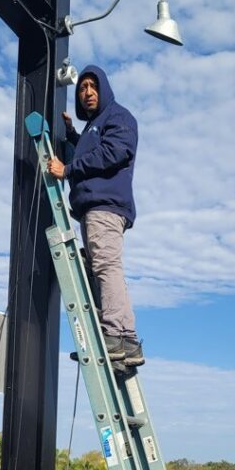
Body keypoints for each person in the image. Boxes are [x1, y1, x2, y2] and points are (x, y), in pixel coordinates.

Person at [46, 65, 144, 367]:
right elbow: (97, 149)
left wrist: (69, 169)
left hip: (105, 206)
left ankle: (113, 334)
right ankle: (126, 340)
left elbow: (113, 152)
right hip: (97, 207)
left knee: (105, 267)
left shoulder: (118, 117)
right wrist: (75, 135)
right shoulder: (96, 126)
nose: (87, 92)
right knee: (109, 267)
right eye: (82, 88)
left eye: (92, 86)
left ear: (103, 89)